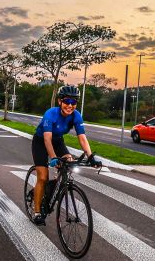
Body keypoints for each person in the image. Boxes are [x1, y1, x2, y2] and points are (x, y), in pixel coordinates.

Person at [30, 85, 101, 225]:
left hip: (58, 141)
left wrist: (91, 157)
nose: (70, 105)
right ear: (60, 102)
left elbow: (82, 138)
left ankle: (53, 188)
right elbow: (47, 139)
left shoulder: (76, 115)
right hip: (41, 142)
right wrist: (53, 157)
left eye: (73, 102)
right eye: (67, 101)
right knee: (43, 177)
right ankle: (37, 212)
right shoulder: (50, 114)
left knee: (68, 160)